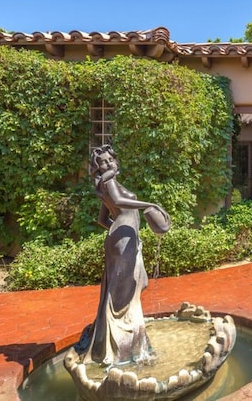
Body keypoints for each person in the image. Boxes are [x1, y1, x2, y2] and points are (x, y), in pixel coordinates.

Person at [82, 144, 169, 366]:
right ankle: (125, 346)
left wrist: (119, 228)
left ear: (116, 160)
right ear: (97, 167)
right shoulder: (108, 181)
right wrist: (148, 205)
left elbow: (102, 220)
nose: (108, 163)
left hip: (122, 237)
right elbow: (120, 203)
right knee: (125, 291)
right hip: (123, 240)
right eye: (102, 162)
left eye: (110, 159)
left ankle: (117, 342)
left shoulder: (107, 185)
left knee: (126, 288)